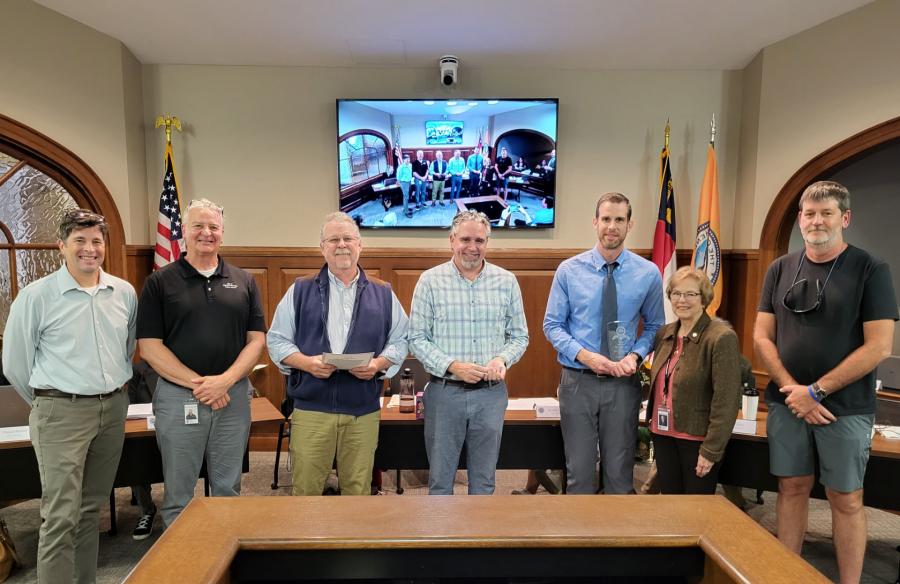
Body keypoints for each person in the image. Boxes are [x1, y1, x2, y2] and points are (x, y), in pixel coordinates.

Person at [754, 180, 896, 584]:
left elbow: (879, 347)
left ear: (845, 218)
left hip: (843, 407)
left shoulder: (870, 269)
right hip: (787, 402)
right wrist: (792, 390)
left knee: (846, 498)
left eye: (826, 213)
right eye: (809, 214)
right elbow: (762, 336)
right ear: (800, 219)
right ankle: (786, 574)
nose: (817, 221)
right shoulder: (781, 267)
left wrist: (816, 391)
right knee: (792, 487)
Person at [2, 209, 137, 583]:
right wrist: (51, 404)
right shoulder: (37, 296)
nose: (89, 249)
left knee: (91, 510)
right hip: (60, 412)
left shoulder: (123, 293)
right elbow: (15, 364)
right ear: (62, 245)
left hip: (111, 411)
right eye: (80, 241)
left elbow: (125, 350)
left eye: (96, 241)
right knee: (60, 515)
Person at [137, 198, 266, 527]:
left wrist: (224, 381)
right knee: (178, 494)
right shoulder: (160, 282)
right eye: (198, 226)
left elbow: (256, 341)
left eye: (213, 227)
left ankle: (224, 563)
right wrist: (202, 384)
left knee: (228, 487)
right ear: (183, 231)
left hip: (232, 397)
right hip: (180, 397)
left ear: (222, 233)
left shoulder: (244, 281)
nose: (206, 233)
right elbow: (149, 347)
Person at [266, 212, 409, 496]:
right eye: (333, 239)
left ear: (360, 245)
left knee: (357, 490)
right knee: (306, 490)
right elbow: (277, 341)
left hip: (362, 411)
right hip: (312, 410)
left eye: (348, 239)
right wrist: (306, 364)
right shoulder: (300, 290)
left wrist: (379, 364)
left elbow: (401, 339)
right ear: (322, 247)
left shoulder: (383, 293)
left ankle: (352, 542)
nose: (341, 245)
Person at [543, 192, 664, 494]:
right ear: (595, 222)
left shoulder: (647, 273)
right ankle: (579, 541)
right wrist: (586, 356)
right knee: (579, 473)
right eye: (606, 219)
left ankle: (615, 540)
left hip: (623, 384)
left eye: (619, 220)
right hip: (578, 380)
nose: (612, 226)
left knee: (619, 473)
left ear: (629, 224)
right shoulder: (569, 271)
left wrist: (635, 356)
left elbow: (655, 326)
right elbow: (552, 326)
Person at [408, 211, 529, 494]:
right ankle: (442, 537)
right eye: (465, 239)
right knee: (440, 481)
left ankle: (480, 538)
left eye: (479, 240)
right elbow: (416, 338)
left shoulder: (506, 281)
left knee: (484, 482)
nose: (472, 247)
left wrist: (502, 358)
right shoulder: (430, 281)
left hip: (491, 394)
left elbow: (520, 336)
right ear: (451, 240)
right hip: (444, 392)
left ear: (487, 243)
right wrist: (452, 365)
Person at [647, 267, 742, 494]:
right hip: (663, 435)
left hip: (697, 439)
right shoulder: (665, 334)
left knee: (696, 510)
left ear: (704, 298)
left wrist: (710, 450)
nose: (682, 300)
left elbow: (727, 400)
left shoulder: (720, 337)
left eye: (691, 294)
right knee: (671, 504)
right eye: (676, 293)